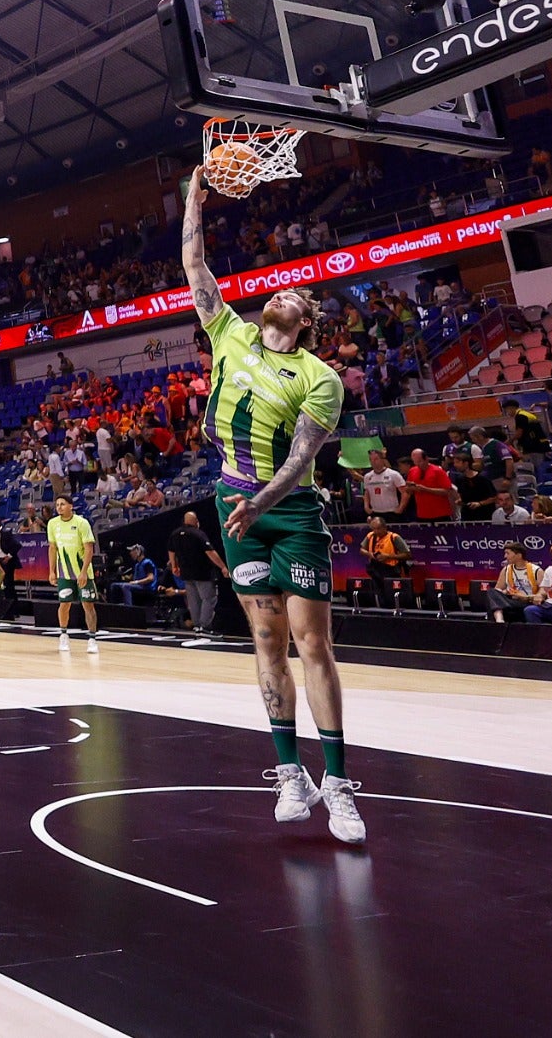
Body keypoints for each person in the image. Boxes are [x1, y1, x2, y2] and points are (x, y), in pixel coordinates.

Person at [181, 170, 360, 843]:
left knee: (314, 642)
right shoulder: (228, 331)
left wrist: (258, 505)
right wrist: (193, 203)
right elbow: (195, 263)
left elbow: (299, 461)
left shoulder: (320, 379)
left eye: (293, 295)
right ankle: (292, 773)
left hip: (287, 513)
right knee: (265, 640)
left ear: (307, 322)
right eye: (276, 290)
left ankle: (339, 783)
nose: (279, 294)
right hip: (236, 504)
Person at [45, 495, 98, 644]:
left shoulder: (82, 523)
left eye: (62, 504)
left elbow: (89, 549)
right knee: (64, 604)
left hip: (82, 572)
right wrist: (51, 571)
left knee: (87, 604)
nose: (59, 507)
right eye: (57, 505)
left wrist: (83, 572)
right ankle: (63, 634)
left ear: (70, 506)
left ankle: (92, 638)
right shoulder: (52, 524)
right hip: (64, 573)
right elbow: (52, 548)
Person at [167, 510, 225, 635]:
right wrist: (223, 567)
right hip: (203, 573)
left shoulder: (175, 534)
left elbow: (171, 551)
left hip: (187, 573)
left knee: (193, 600)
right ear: (195, 521)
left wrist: (174, 566)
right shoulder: (198, 534)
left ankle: (197, 625)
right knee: (208, 598)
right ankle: (205, 626)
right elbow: (210, 552)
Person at [358, 516, 411, 609]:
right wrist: (370, 554)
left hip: (391, 570)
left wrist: (388, 556)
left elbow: (407, 554)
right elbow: (362, 550)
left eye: (378, 529)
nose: (376, 531)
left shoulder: (394, 537)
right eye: (374, 529)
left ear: (384, 527)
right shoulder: (370, 536)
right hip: (375, 569)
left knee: (392, 595)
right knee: (379, 595)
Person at [482, 544, 539, 621]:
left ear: (519, 555)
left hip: (527, 602)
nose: (505, 556)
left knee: (493, 608)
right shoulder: (506, 570)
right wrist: (505, 592)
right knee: (491, 591)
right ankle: (499, 620)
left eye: (508, 553)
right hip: (510, 601)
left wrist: (525, 597)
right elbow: (497, 591)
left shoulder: (536, 570)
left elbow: (542, 595)